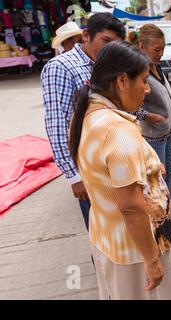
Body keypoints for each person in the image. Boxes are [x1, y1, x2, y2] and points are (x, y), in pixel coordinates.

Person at [69, 41, 171, 300]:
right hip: (135, 251)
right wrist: (152, 261)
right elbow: (130, 205)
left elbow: (109, 171)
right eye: (143, 80)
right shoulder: (118, 130)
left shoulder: (88, 115)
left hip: (108, 240)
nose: (147, 89)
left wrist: (151, 168)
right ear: (121, 81)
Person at [41, 13, 126, 231]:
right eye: (105, 42)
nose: (109, 50)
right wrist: (73, 176)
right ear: (86, 35)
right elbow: (57, 123)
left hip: (115, 159)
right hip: (89, 168)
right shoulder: (61, 67)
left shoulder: (107, 65)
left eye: (114, 45)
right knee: (102, 233)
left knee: (121, 227)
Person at [128, 24, 171, 216]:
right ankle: (163, 212)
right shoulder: (137, 71)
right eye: (157, 49)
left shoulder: (156, 67)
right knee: (158, 176)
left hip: (167, 132)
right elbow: (131, 107)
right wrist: (151, 116)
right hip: (153, 135)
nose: (161, 53)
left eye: (163, 49)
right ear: (142, 47)